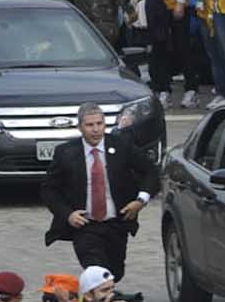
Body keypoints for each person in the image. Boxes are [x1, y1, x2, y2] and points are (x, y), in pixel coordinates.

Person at [37, 104, 154, 274]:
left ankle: (104, 296)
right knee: (97, 271)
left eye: (99, 124)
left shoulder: (121, 146)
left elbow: (150, 171)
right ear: (80, 127)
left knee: (115, 272)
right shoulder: (66, 152)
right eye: (90, 125)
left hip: (117, 223)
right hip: (85, 226)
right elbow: (49, 189)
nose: (95, 130)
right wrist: (68, 214)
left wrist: (141, 200)